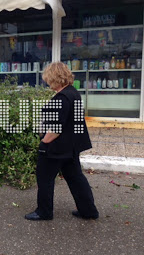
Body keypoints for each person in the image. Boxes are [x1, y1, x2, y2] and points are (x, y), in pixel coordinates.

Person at [25, 62, 99, 221]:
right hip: (71, 146)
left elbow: (56, 129)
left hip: (57, 148)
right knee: (75, 178)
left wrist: (44, 143)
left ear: (54, 77)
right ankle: (88, 210)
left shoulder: (62, 98)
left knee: (44, 177)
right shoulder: (73, 93)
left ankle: (44, 212)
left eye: (48, 78)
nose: (47, 82)